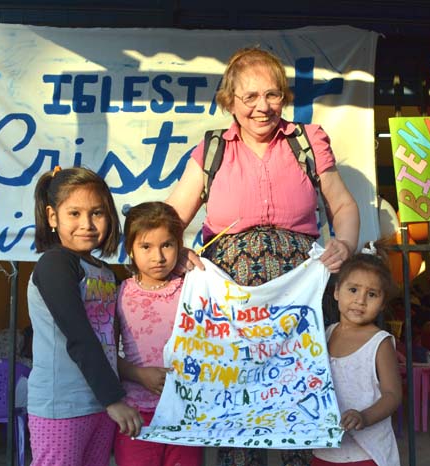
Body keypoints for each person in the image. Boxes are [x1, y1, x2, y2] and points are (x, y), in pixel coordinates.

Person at [166, 46, 360, 466]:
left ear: (284, 97)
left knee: (299, 395)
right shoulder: (212, 148)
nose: (262, 107)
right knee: (237, 399)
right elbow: (170, 218)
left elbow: (342, 206)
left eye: (272, 95)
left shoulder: (307, 141)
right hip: (234, 300)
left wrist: (344, 242)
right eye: (250, 97)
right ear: (229, 101)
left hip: (299, 293)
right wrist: (176, 252)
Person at [27, 166, 143, 466]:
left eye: (97, 213)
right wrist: (113, 399)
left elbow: (110, 341)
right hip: (63, 405)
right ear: (53, 217)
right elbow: (78, 335)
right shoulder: (55, 264)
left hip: (99, 405)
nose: (87, 224)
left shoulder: (103, 271)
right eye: (74, 214)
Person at [113, 202, 203, 466]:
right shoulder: (120, 293)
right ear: (130, 248)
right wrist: (138, 374)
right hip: (137, 414)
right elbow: (106, 353)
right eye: (146, 247)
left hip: (185, 413)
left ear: (179, 245)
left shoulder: (191, 290)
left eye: (167, 245)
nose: (158, 257)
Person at [311, 242, 402, 466]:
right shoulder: (326, 334)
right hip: (325, 450)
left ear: (382, 304)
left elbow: (393, 395)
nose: (360, 300)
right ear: (336, 291)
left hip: (367, 452)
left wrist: (364, 417)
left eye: (371, 294)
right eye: (353, 290)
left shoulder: (379, 343)